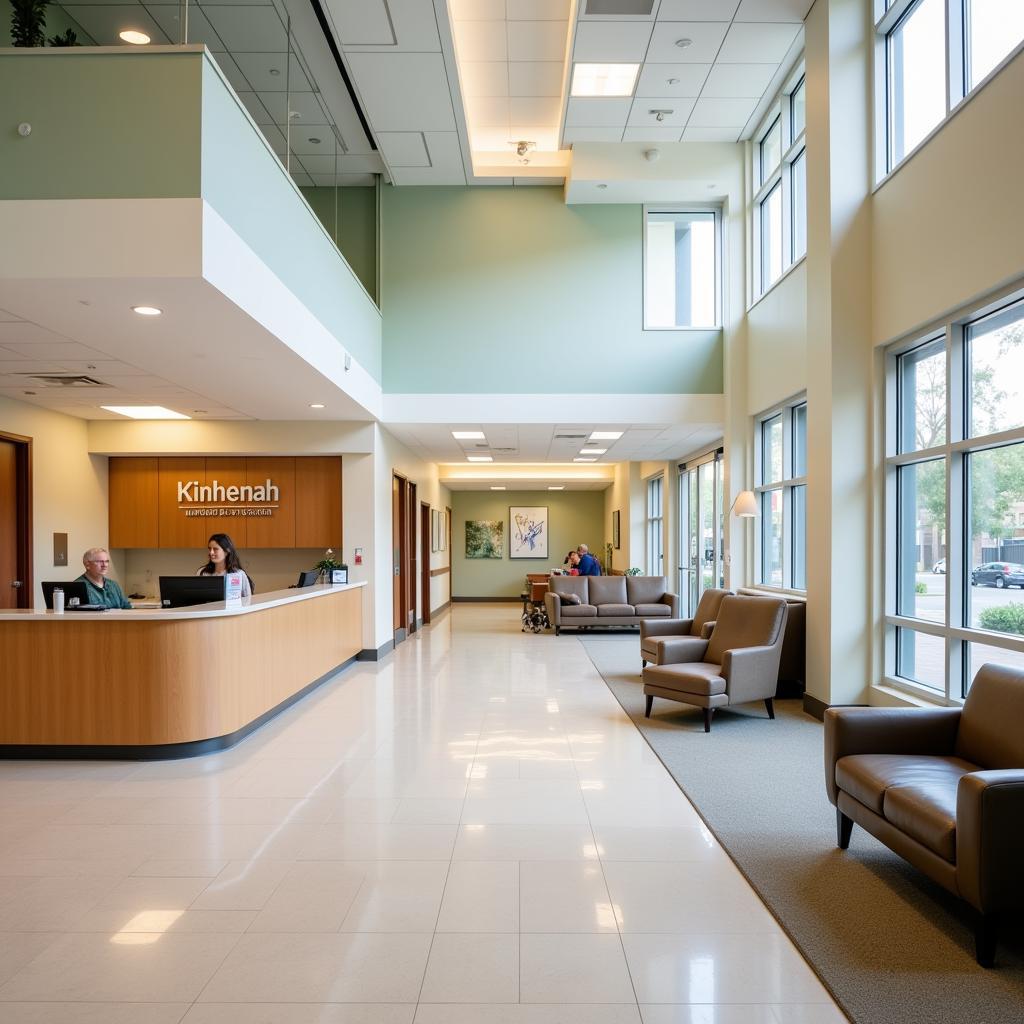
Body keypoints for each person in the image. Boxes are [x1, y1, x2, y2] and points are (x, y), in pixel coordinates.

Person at [197, 533, 252, 597]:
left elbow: (248, 601)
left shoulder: (239, 574)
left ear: (227, 551)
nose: (211, 552)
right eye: (210, 549)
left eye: (215, 549)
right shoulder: (202, 573)